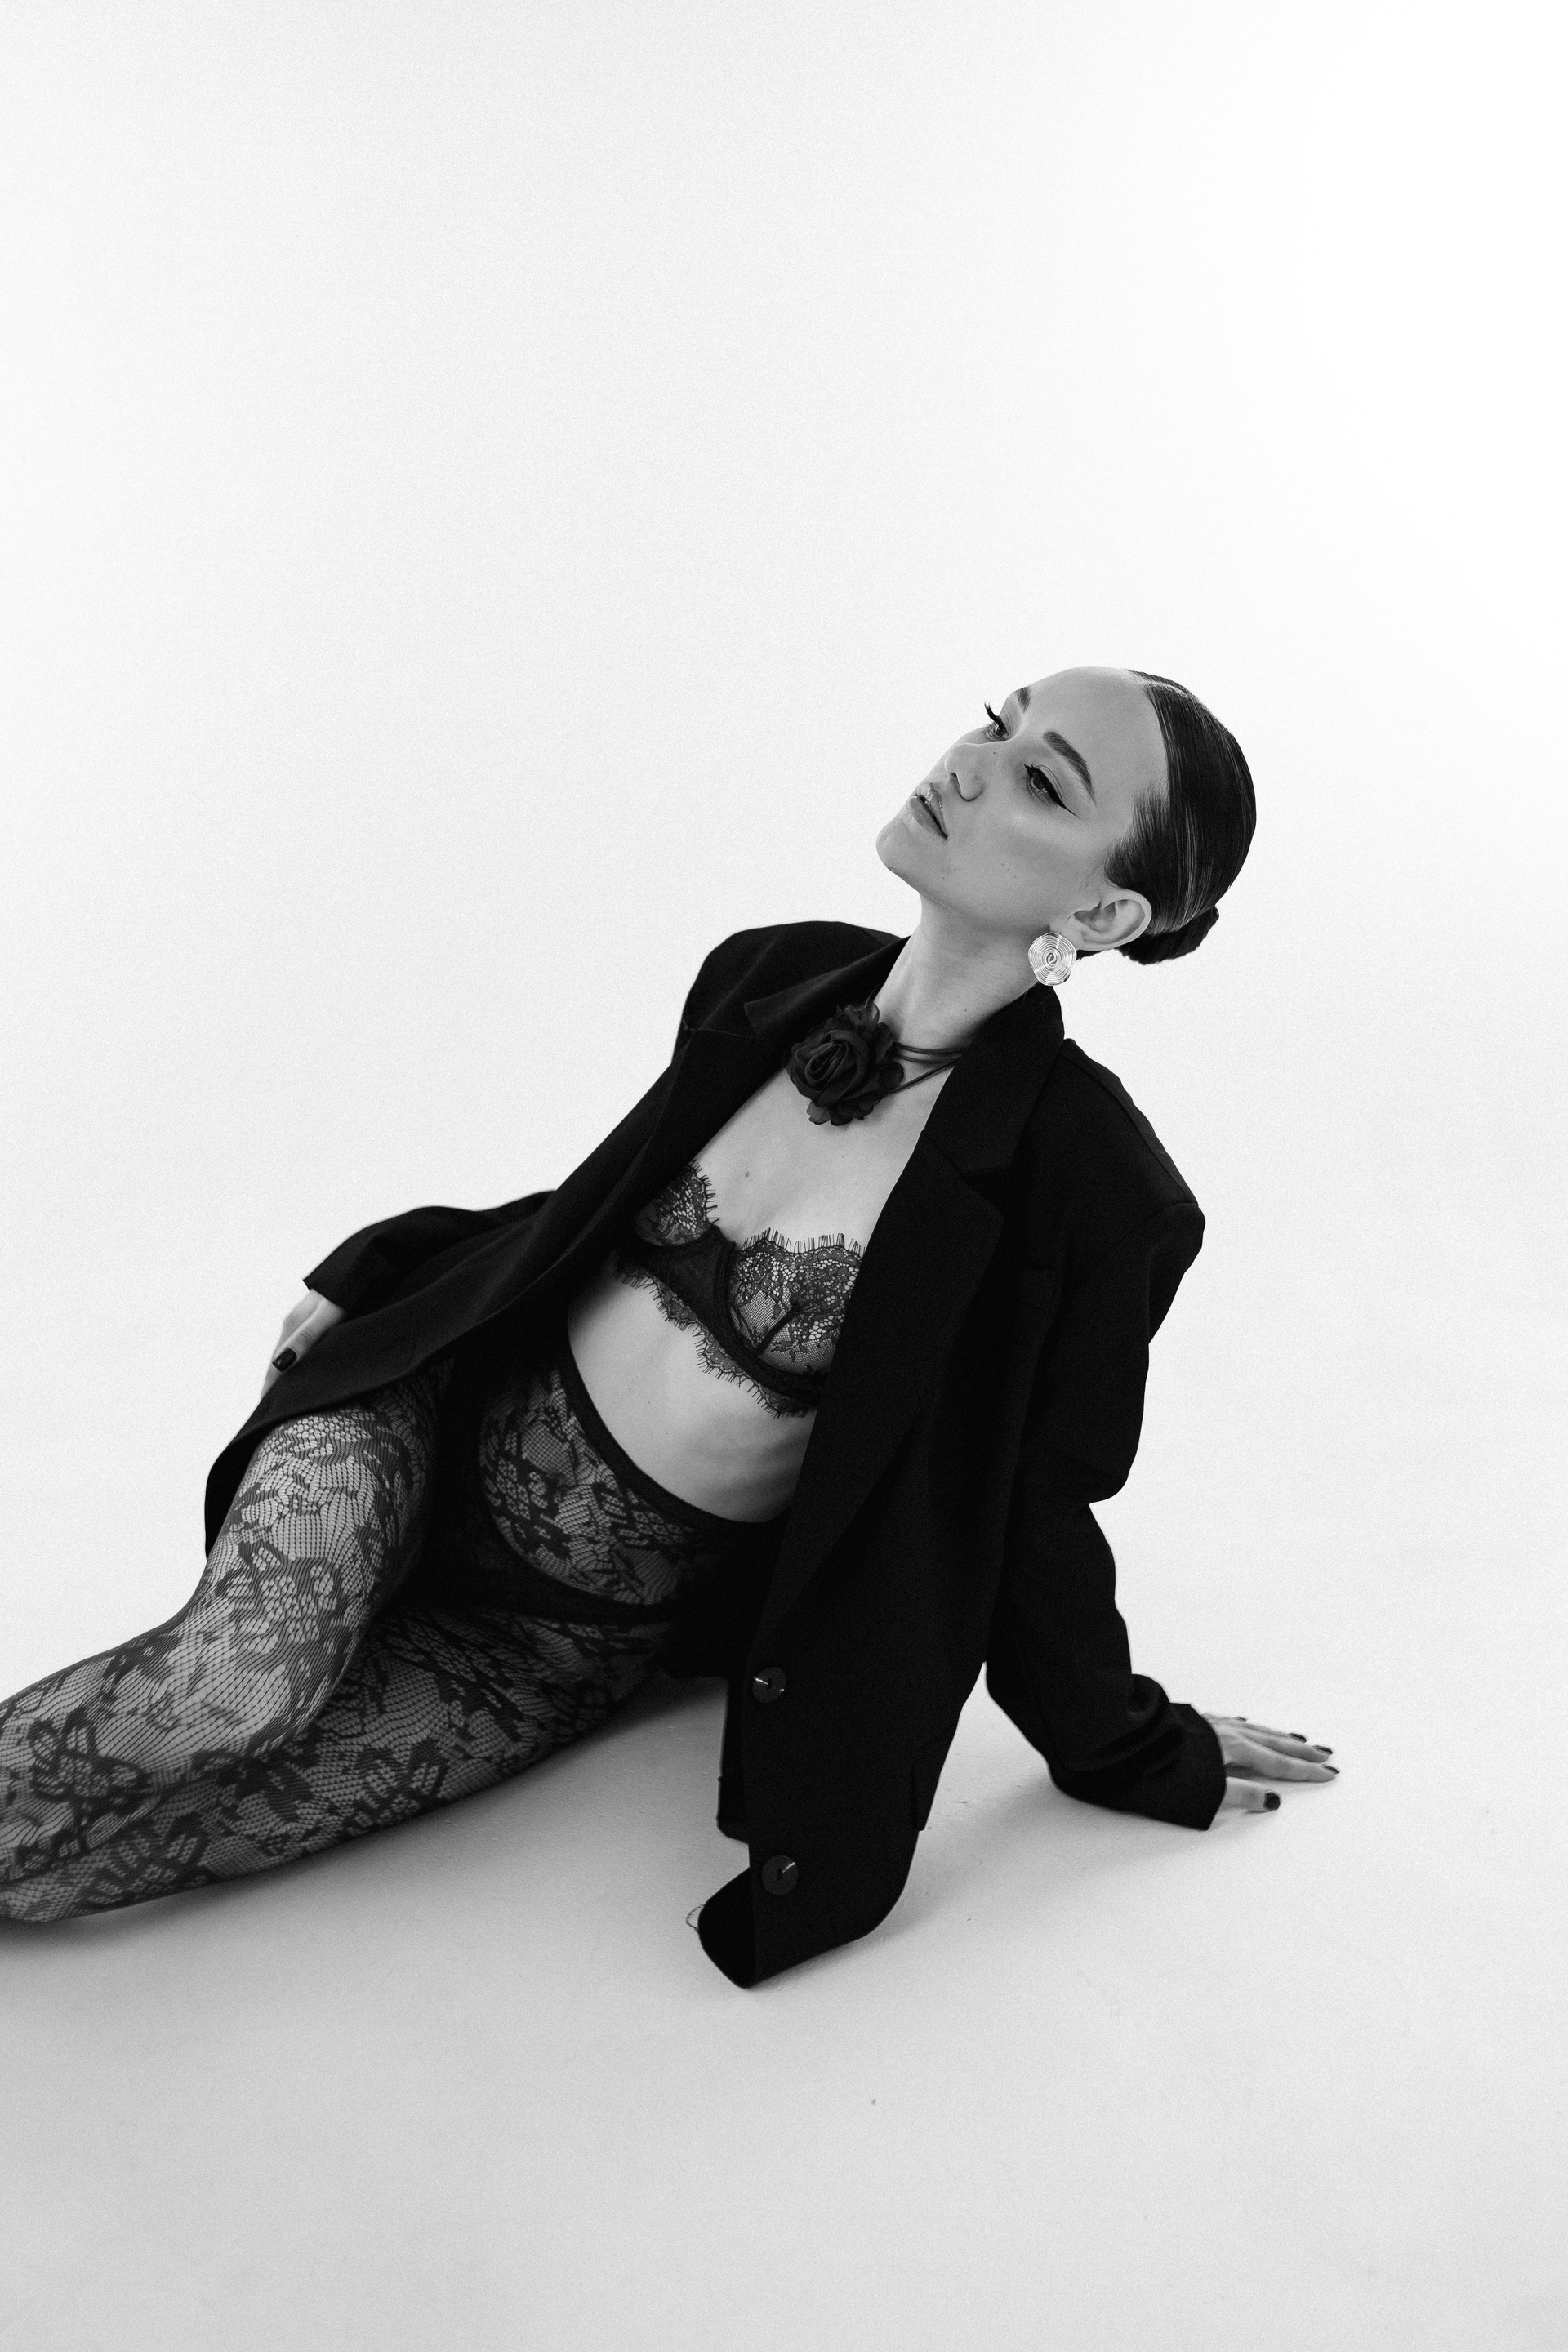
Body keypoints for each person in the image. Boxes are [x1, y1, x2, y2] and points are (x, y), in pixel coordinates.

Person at [0, 665, 1334, 1986]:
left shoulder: (1094, 1194)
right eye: (997, 718)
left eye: (1041, 779)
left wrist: (1128, 1745)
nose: (971, 763)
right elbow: (592, 1209)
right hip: (420, 1424)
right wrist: (383, 1260)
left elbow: (1032, 1514)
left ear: (1104, 911)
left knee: (78, 1864)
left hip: (549, 1649)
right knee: (235, 1689)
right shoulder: (771, 974)